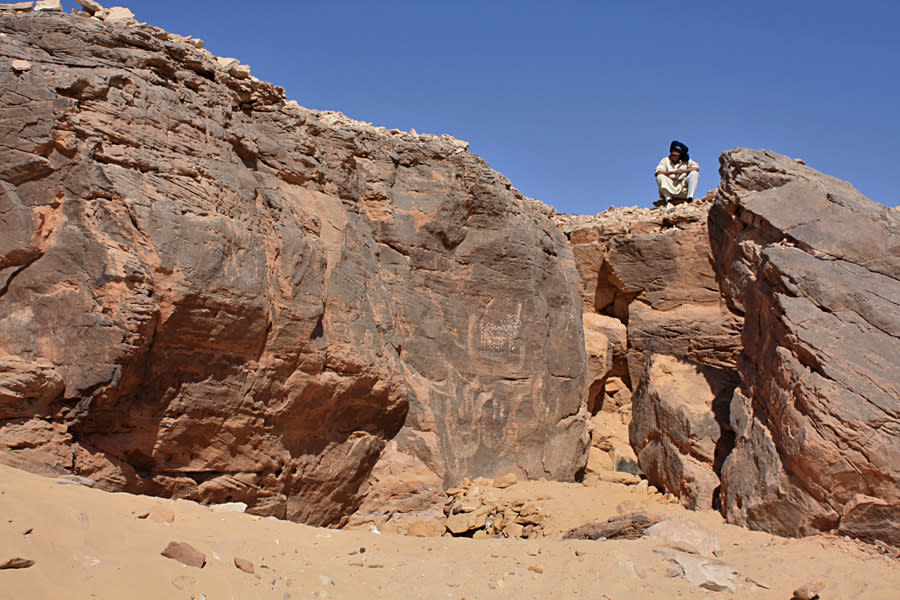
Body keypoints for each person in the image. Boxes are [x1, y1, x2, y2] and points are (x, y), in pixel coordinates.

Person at [654, 140, 699, 206]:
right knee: (660, 177)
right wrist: (673, 172)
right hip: (670, 187)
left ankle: (689, 198)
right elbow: (658, 172)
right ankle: (669, 199)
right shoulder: (665, 160)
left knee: (694, 173)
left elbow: (696, 168)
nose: (674, 157)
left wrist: (682, 171)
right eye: (673, 155)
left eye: (676, 155)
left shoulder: (686, 161)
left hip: (682, 189)